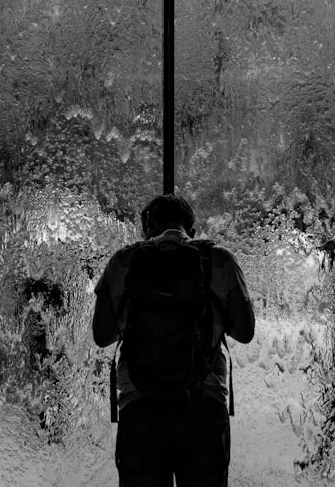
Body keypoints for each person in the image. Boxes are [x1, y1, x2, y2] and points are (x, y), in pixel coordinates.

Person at [92, 194, 255, 487]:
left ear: (148, 226)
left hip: (140, 405)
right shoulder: (219, 259)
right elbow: (245, 331)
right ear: (191, 230)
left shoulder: (124, 261)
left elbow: (102, 336)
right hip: (203, 405)